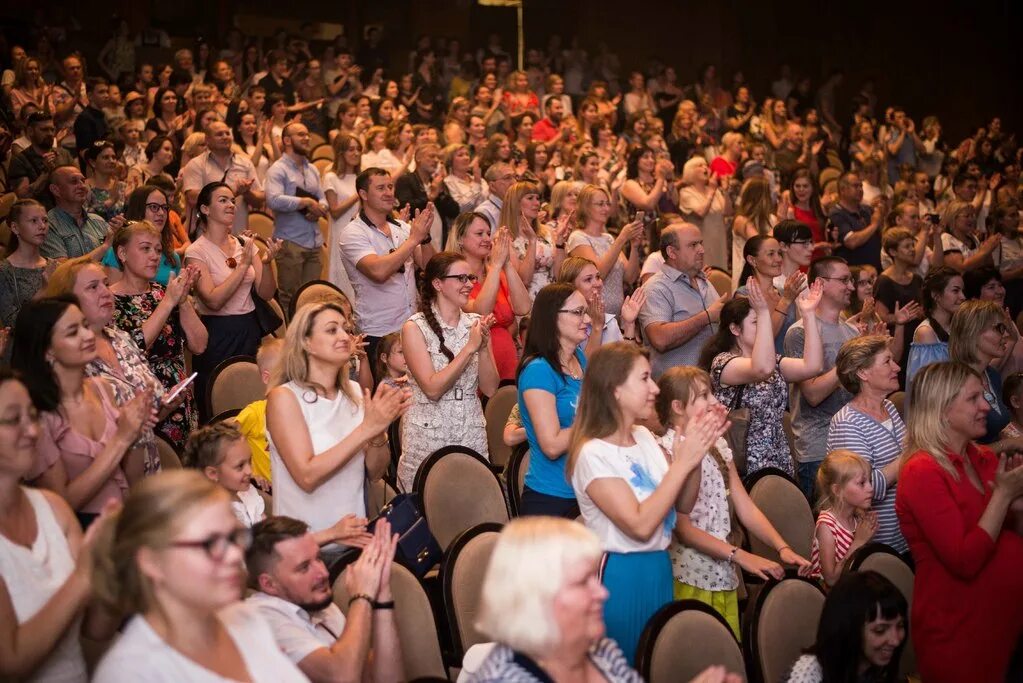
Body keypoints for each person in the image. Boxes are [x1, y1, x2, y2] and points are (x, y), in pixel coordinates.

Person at [567, 342, 725, 664]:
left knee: (657, 664)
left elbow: (681, 505)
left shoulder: (643, 437)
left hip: (658, 568)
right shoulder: (593, 453)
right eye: (644, 379)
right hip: (620, 578)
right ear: (615, 390)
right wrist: (681, 465)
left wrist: (693, 457)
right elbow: (639, 525)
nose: (655, 388)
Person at [91, 470, 308, 681]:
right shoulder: (134, 672)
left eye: (234, 537)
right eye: (210, 543)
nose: (234, 554)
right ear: (152, 562)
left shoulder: (246, 618)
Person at [656, 366, 811, 637]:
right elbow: (682, 526)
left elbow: (745, 505)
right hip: (690, 574)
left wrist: (780, 546)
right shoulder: (666, 451)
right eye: (703, 396)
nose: (715, 402)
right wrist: (742, 556)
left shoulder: (717, 446)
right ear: (678, 407)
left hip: (721, 571)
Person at [896, 361, 1023, 683]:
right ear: (942, 409)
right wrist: (1004, 496)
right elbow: (964, 560)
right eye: (973, 399)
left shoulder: (982, 457)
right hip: (962, 634)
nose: (986, 406)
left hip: (1006, 627)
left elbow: (1008, 536)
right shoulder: (921, 471)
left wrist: (1017, 506)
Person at [0, 367, 119, 682]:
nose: (32, 431)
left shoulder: (53, 509)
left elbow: (96, 627)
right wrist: (83, 574)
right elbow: (11, 663)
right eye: (13, 420)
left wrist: (113, 565)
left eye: (33, 416)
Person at [266, 301, 408, 553]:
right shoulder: (284, 398)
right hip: (305, 549)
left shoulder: (354, 392)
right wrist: (366, 429)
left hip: (354, 541)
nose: (344, 336)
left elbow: (374, 472)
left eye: (346, 328)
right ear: (306, 342)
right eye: (332, 330)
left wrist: (377, 433)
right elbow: (307, 476)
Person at [11, 297, 149, 524]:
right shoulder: (40, 413)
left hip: (122, 520)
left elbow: (130, 480)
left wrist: (136, 431)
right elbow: (61, 504)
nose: (87, 335)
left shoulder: (101, 388)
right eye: (73, 332)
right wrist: (121, 439)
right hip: (80, 532)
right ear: (48, 351)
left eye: (85, 325)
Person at [466, 517, 644, 681]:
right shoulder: (503, 678)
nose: (603, 593)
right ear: (536, 600)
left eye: (594, 577)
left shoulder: (602, 650)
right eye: (582, 582)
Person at [245, 516, 404, 682]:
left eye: (318, 558)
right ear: (269, 584)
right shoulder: (262, 618)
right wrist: (362, 597)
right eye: (304, 567)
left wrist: (381, 596)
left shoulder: (317, 602)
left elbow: (389, 680)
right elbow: (342, 677)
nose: (324, 573)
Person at [701, 278, 825, 476]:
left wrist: (809, 314)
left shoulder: (771, 361)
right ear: (735, 329)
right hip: (746, 462)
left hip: (779, 457)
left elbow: (812, 366)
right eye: (756, 322)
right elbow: (762, 369)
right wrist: (764, 311)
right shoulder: (723, 363)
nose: (763, 327)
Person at [400, 252, 499, 491]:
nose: (468, 285)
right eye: (461, 278)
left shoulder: (475, 323)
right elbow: (432, 389)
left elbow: (490, 388)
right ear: (438, 284)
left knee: (472, 505)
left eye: (471, 278)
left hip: (470, 430)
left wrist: (484, 348)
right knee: (427, 511)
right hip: (428, 434)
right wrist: (470, 348)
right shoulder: (415, 328)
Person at [185, 182, 282, 413]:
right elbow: (213, 300)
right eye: (223, 200)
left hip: (249, 329)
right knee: (219, 404)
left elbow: (266, 293)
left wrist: (267, 263)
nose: (231, 205)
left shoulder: (243, 243)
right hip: (217, 333)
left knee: (252, 401)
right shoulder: (196, 252)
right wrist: (244, 265)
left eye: (232, 200)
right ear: (205, 209)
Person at [108, 221, 206, 449]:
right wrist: (169, 301)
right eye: (145, 249)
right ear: (122, 253)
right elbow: (132, 350)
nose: (154, 256)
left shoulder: (165, 292)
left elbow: (200, 345)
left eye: (158, 250)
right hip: (143, 405)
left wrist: (182, 302)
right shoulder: (109, 300)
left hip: (179, 400)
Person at [340, 168, 437, 366]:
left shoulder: (401, 228)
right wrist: (413, 240)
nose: (388, 192)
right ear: (363, 194)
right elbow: (378, 272)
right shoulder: (353, 233)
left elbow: (429, 266)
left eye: (391, 187)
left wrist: (424, 237)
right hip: (378, 330)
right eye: (381, 188)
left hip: (411, 324)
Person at [784, 256, 860, 499]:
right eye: (844, 280)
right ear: (821, 284)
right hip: (818, 448)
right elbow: (813, 394)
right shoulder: (799, 332)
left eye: (852, 280)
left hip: (852, 440)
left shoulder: (851, 331)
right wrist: (849, 362)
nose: (852, 286)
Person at [827, 335, 910, 554]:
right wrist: (912, 452)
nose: (897, 367)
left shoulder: (889, 408)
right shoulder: (848, 422)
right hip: (879, 545)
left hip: (906, 535)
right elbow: (865, 488)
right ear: (863, 373)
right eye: (887, 361)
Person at [515, 284, 591, 517]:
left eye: (586, 311)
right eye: (578, 312)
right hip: (551, 498)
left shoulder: (579, 358)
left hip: (585, 489)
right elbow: (552, 445)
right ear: (552, 318)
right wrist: (600, 418)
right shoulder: (538, 371)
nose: (587, 318)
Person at [447, 212, 531, 381]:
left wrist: (506, 264)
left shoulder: (496, 272)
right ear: (460, 239)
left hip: (507, 361)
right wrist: (497, 264)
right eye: (479, 234)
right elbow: (481, 311)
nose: (487, 238)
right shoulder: (454, 277)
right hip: (475, 364)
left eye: (488, 233)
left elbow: (523, 308)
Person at [782, 571, 908, 683]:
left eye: (900, 626)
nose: (895, 640)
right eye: (880, 630)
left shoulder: (872, 666)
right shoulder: (807, 676)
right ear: (849, 629)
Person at [640, 223, 726, 377]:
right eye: (693, 245)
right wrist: (706, 317)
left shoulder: (703, 281)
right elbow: (660, 339)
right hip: (678, 389)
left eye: (701, 243)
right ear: (672, 252)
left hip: (709, 382)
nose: (701, 250)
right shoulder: (656, 288)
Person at [265, 122, 329, 315]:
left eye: (307, 134)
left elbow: (323, 197)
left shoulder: (312, 169)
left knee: (311, 297)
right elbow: (273, 199)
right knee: (290, 297)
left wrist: (320, 207)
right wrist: (305, 202)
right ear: (287, 140)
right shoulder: (278, 169)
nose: (306, 138)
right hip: (290, 242)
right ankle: (290, 341)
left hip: (314, 241)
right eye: (301, 134)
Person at [566, 185, 643, 316]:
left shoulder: (608, 239)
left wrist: (634, 247)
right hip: (593, 316)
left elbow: (630, 277)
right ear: (586, 207)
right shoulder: (578, 237)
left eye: (608, 204)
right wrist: (622, 238)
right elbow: (599, 274)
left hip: (617, 315)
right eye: (600, 204)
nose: (606, 209)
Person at [948, 300, 1014, 444]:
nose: (1006, 334)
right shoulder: (954, 383)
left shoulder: (992, 375)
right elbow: (959, 452)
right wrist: (1009, 445)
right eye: (1000, 328)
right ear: (973, 332)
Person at [807, 450, 878, 586]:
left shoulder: (858, 517)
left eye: (870, 481)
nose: (870, 488)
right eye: (862, 483)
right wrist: (859, 542)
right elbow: (831, 580)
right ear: (837, 490)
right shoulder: (826, 526)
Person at [182, 120, 264, 235]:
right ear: (207, 140)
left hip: (239, 237)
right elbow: (192, 199)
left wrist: (246, 192)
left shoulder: (245, 163)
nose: (225, 137)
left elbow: (260, 200)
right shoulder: (196, 164)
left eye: (227, 133)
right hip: (206, 238)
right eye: (219, 134)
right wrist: (234, 190)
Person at [103, 184, 186, 287]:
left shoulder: (173, 257)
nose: (161, 213)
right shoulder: (118, 253)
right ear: (139, 209)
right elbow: (115, 300)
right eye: (154, 207)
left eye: (164, 208)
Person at [185, 421, 265, 527]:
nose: (249, 471)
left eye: (249, 462)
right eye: (240, 466)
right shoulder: (213, 516)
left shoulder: (248, 494)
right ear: (213, 473)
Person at [557, 256, 646, 351]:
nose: (598, 284)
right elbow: (584, 365)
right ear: (570, 286)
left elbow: (626, 363)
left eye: (598, 277)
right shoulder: (566, 323)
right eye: (588, 279)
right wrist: (597, 326)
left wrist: (629, 324)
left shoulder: (610, 321)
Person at [735, 234, 805, 351]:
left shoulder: (784, 292)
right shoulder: (744, 295)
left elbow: (798, 333)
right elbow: (761, 340)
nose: (778, 259)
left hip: (793, 363)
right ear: (752, 260)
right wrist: (786, 301)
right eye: (771, 254)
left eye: (779, 253)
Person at [906, 266, 964, 399]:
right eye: (955, 291)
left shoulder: (957, 327)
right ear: (936, 295)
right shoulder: (926, 333)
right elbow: (929, 388)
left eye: (962, 291)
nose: (962, 296)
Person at [504, 180, 566, 298]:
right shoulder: (505, 237)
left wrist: (560, 241)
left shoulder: (548, 231)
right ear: (515, 203)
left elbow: (560, 276)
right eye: (530, 198)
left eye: (537, 198)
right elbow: (524, 280)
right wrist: (532, 242)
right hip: (526, 302)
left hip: (553, 297)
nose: (537, 203)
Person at [0, 199, 55, 330]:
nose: (42, 226)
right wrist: (43, 291)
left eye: (45, 220)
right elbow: (11, 323)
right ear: (15, 227)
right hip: (27, 345)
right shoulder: (4, 271)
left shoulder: (53, 265)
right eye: (34, 221)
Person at [43, 166, 117, 261]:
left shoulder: (98, 221)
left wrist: (119, 237)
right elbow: (62, 270)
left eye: (83, 181)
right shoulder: (48, 225)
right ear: (55, 190)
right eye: (74, 182)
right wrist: (105, 247)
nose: (82, 186)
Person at [237, 337, 284, 485]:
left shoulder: (304, 411)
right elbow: (224, 445)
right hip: (267, 495)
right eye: (286, 376)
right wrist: (248, 471)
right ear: (266, 378)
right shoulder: (254, 413)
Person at [395, 142, 461, 246]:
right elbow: (405, 208)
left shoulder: (437, 182)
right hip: (416, 243)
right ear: (418, 158)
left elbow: (454, 211)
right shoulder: (406, 180)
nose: (436, 160)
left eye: (438, 157)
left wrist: (440, 193)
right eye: (431, 156)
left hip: (440, 241)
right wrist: (431, 197)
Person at [322, 133, 361, 302]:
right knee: (342, 278)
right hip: (341, 231)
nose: (356, 153)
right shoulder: (331, 177)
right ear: (341, 153)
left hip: (360, 232)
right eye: (351, 149)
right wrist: (358, 193)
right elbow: (335, 211)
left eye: (359, 149)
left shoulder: (361, 178)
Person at [8, 112, 75, 202]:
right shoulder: (20, 160)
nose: (50, 134)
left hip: (68, 208)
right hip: (40, 212)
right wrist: (46, 173)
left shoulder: (63, 154)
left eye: (52, 129)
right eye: (44, 130)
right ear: (30, 131)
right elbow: (24, 196)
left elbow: (79, 181)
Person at [678, 156, 731, 271]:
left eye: (706, 165)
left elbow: (728, 212)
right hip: (701, 244)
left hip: (719, 242)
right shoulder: (686, 192)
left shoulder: (715, 191)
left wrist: (725, 191)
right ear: (690, 171)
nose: (705, 168)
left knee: (721, 275)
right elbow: (701, 212)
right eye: (700, 165)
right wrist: (711, 191)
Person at [830, 172, 883, 269]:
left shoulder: (867, 210)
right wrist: (874, 225)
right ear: (842, 190)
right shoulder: (836, 214)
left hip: (876, 270)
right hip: (854, 275)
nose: (860, 189)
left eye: (861, 186)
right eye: (855, 186)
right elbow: (851, 242)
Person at [730, 177, 775, 289]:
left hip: (767, 273)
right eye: (769, 194)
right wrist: (780, 224)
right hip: (746, 276)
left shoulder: (771, 219)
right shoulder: (741, 221)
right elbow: (760, 243)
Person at [81, 141, 126, 222]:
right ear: (93, 162)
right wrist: (110, 202)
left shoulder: (121, 185)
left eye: (114, 157)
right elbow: (82, 217)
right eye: (106, 157)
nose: (112, 161)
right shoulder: (84, 187)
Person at [476, 162, 516, 232]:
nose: (514, 182)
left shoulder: (517, 206)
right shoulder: (484, 212)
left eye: (515, 177)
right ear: (492, 186)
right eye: (507, 178)